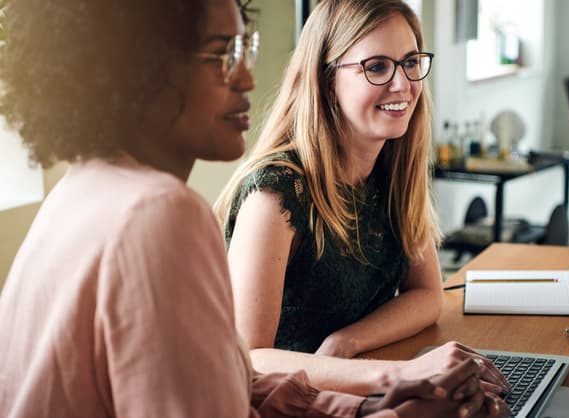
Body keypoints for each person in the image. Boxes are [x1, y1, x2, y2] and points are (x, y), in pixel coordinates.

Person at [0, 0, 508, 417]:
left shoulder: (81, 187)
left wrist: (374, 407)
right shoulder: (159, 213)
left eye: (245, 49)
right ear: (141, 68)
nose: (246, 78)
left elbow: (234, 387)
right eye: (222, 54)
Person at [214, 0, 510, 398]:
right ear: (325, 79)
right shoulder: (276, 193)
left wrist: (346, 343)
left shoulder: (393, 164)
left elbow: (426, 295)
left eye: (409, 62)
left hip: (355, 389)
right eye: (376, 67)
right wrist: (399, 374)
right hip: (293, 403)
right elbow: (248, 357)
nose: (403, 84)